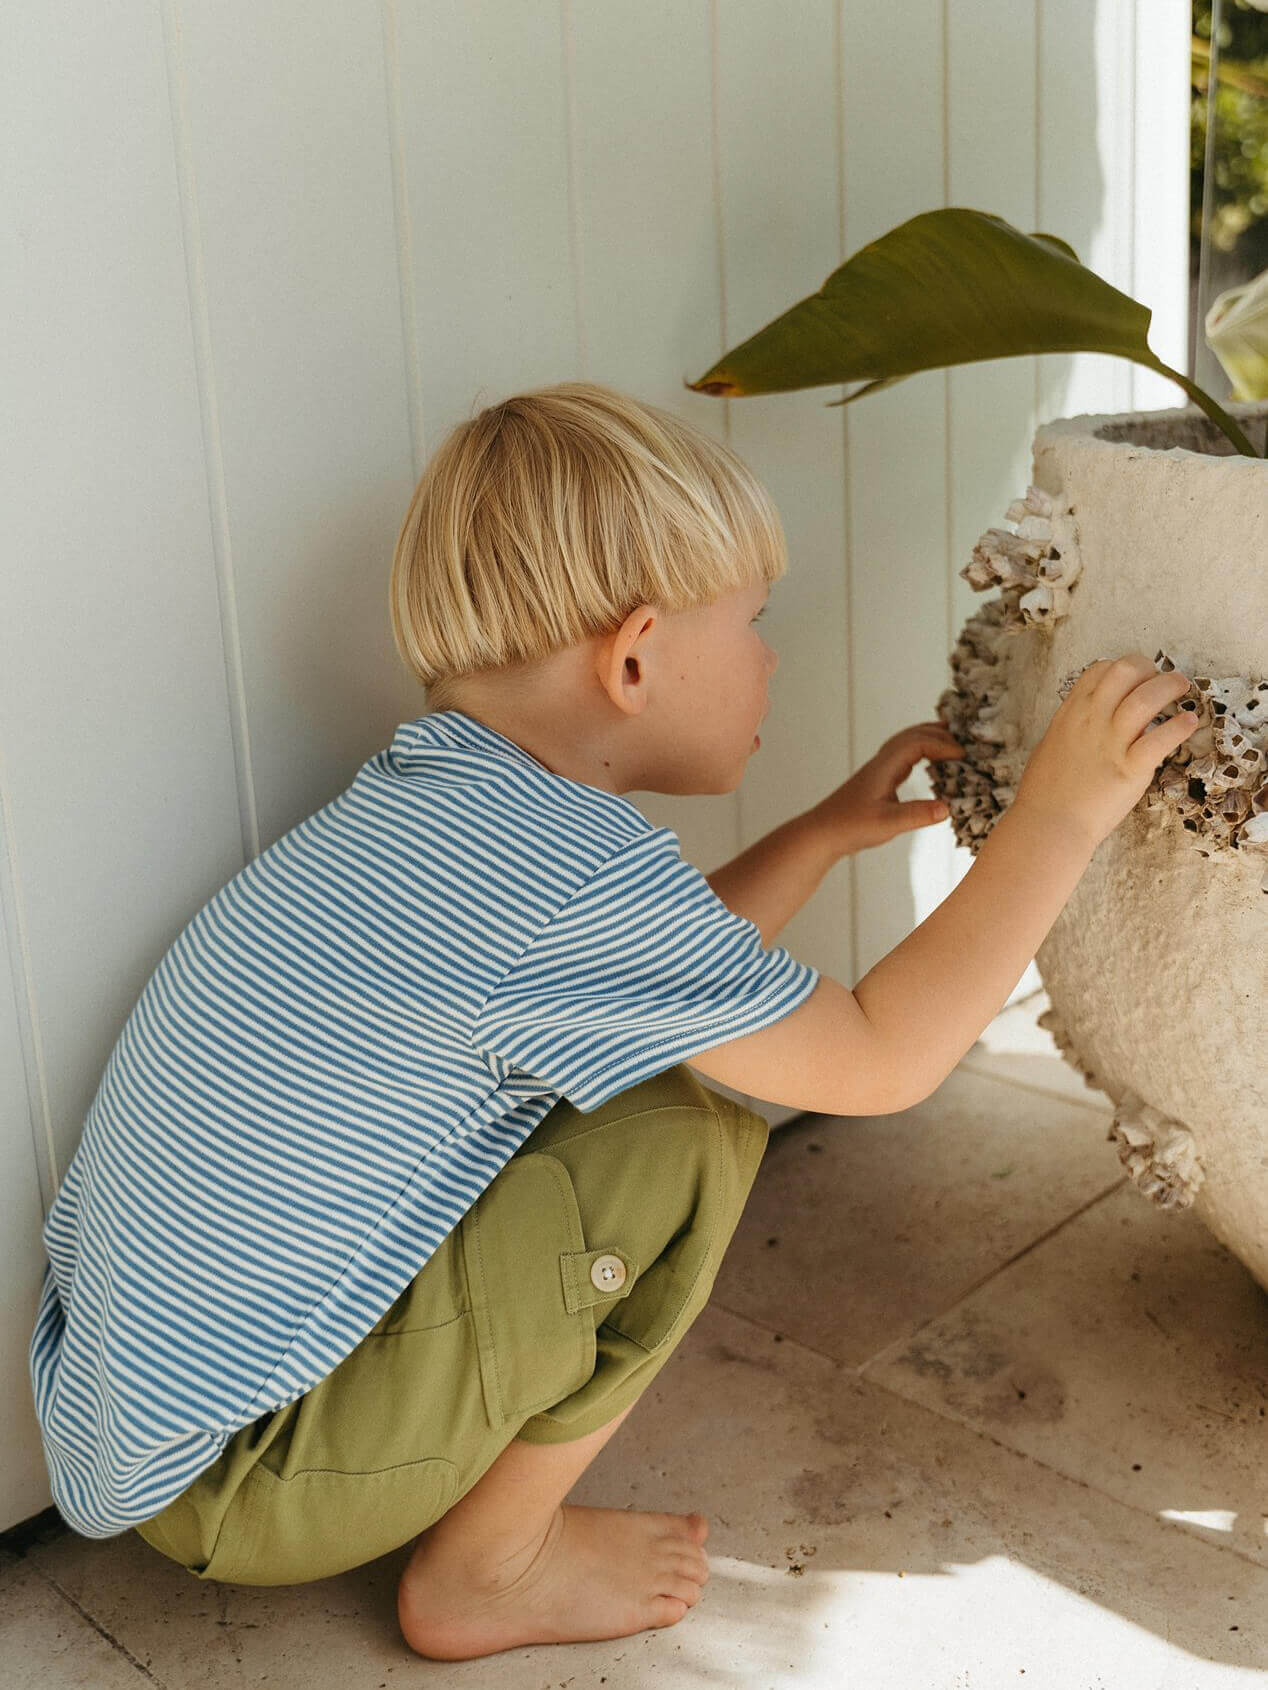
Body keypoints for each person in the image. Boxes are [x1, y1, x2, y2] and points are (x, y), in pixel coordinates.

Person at [28, 381, 1199, 1663]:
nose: (768, 656)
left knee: (643, 1081)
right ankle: (486, 1569)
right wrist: (1060, 814)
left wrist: (809, 839)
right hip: (253, 1476)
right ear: (633, 658)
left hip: (143, 1421)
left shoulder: (435, 809)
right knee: (684, 1135)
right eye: (755, 622)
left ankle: (463, 1528)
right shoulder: (565, 875)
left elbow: (641, 992)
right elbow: (877, 1057)